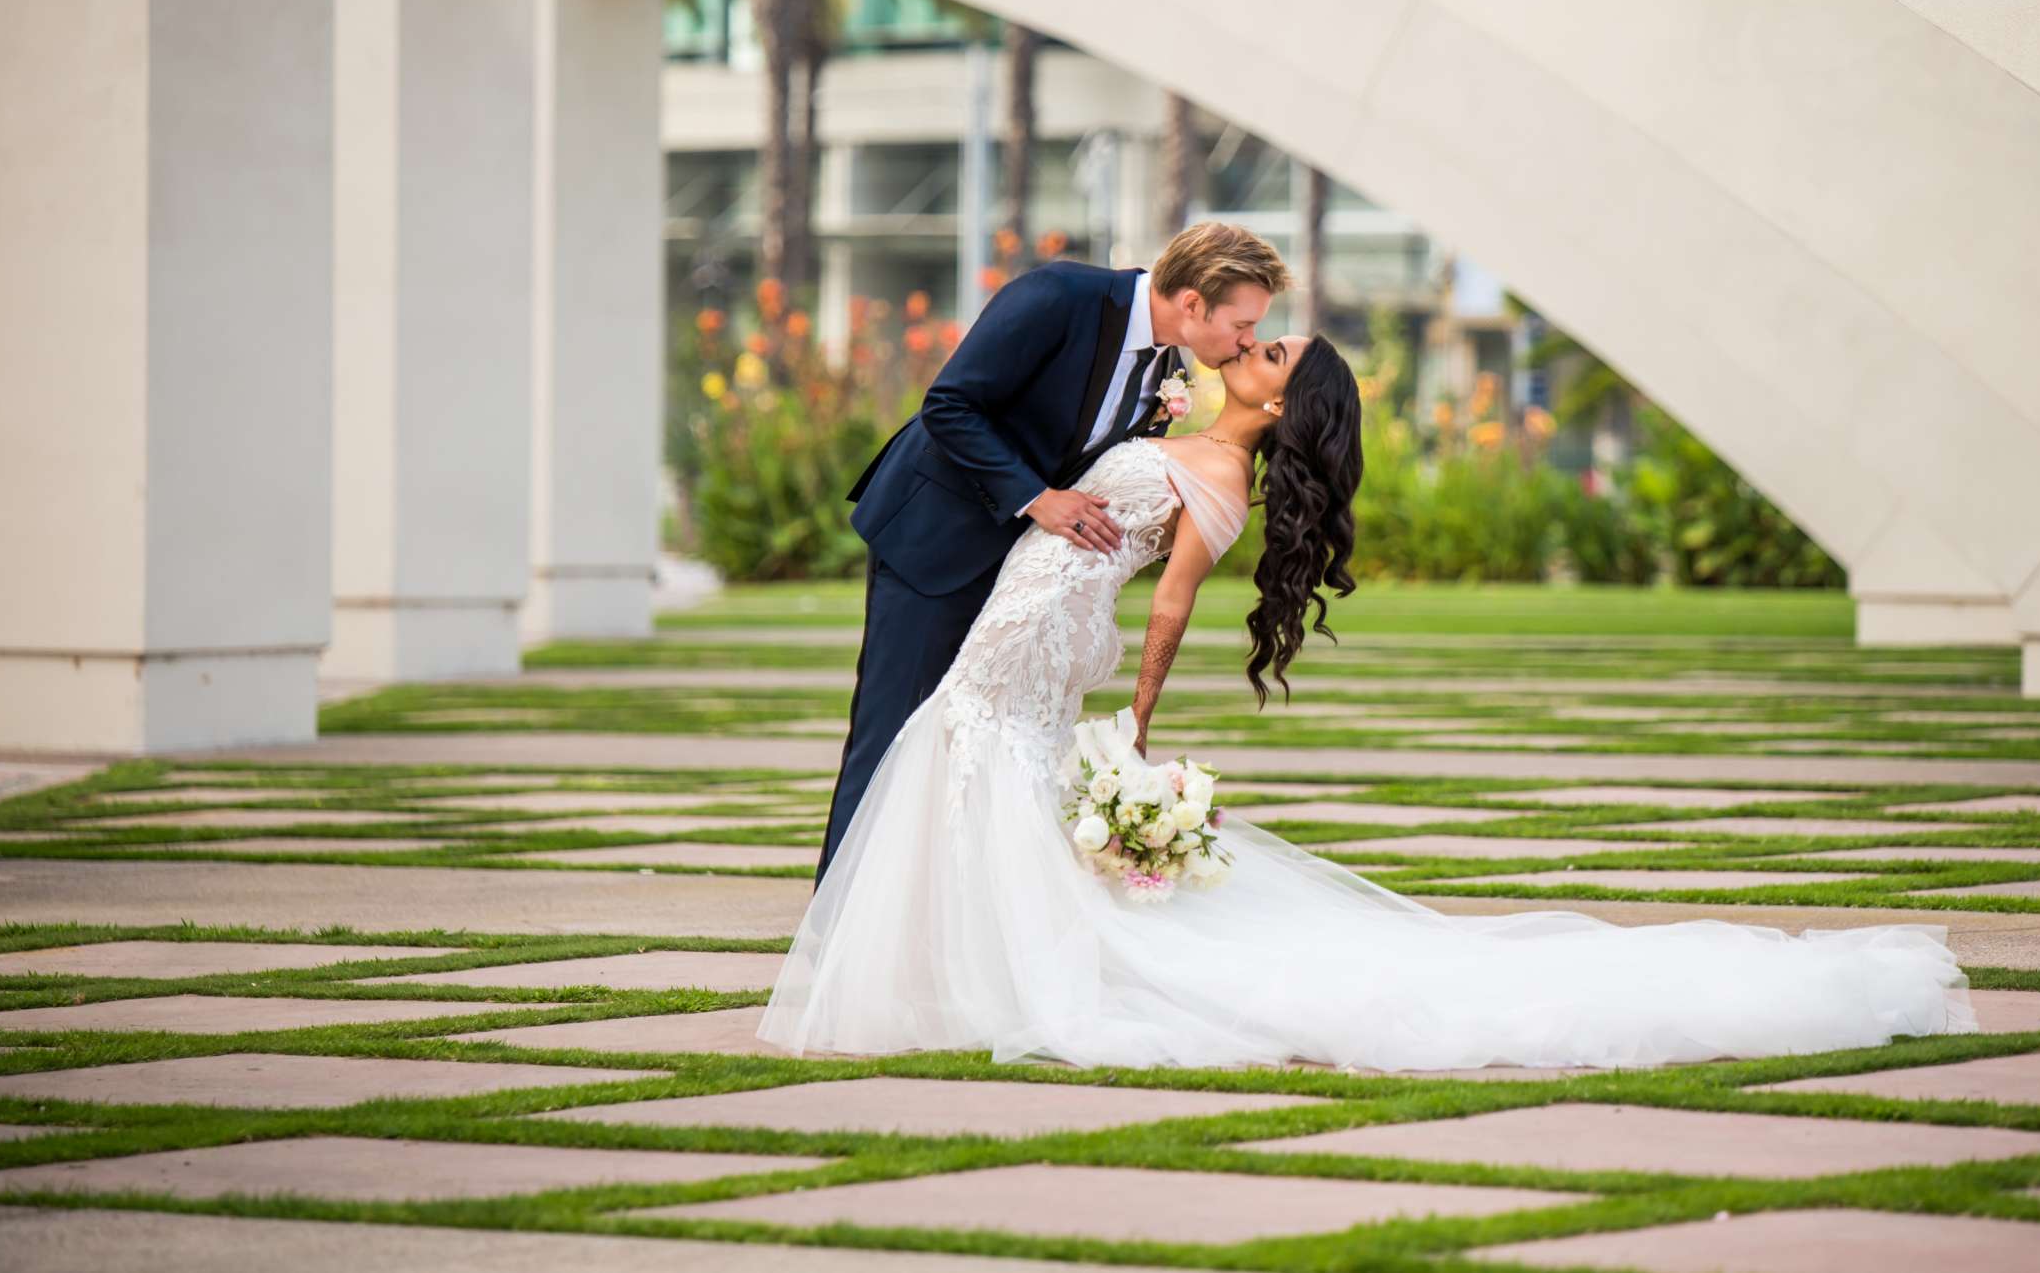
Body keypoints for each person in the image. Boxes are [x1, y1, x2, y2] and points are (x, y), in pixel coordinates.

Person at [761, 329, 1976, 1072]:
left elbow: (1175, 604)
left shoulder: (1226, 474)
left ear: (1283, 405)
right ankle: (955, 969)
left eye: (1275, 354)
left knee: (975, 756)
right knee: (970, 763)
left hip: (1040, 632)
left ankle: (974, 977)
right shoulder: (1180, 421)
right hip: (1034, 612)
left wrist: (1136, 724)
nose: (1257, 347)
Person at [814, 222, 1292, 886]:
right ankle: (837, 918)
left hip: (1021, 578)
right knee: (893, 732)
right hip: (935, 539)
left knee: (963, 748)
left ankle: (936, 915)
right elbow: (950, 405)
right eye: (1243, 324)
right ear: (1192, 304)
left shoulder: (1170, 369)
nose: (1246, 341)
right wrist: (1036, 498)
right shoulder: (1058, 295)